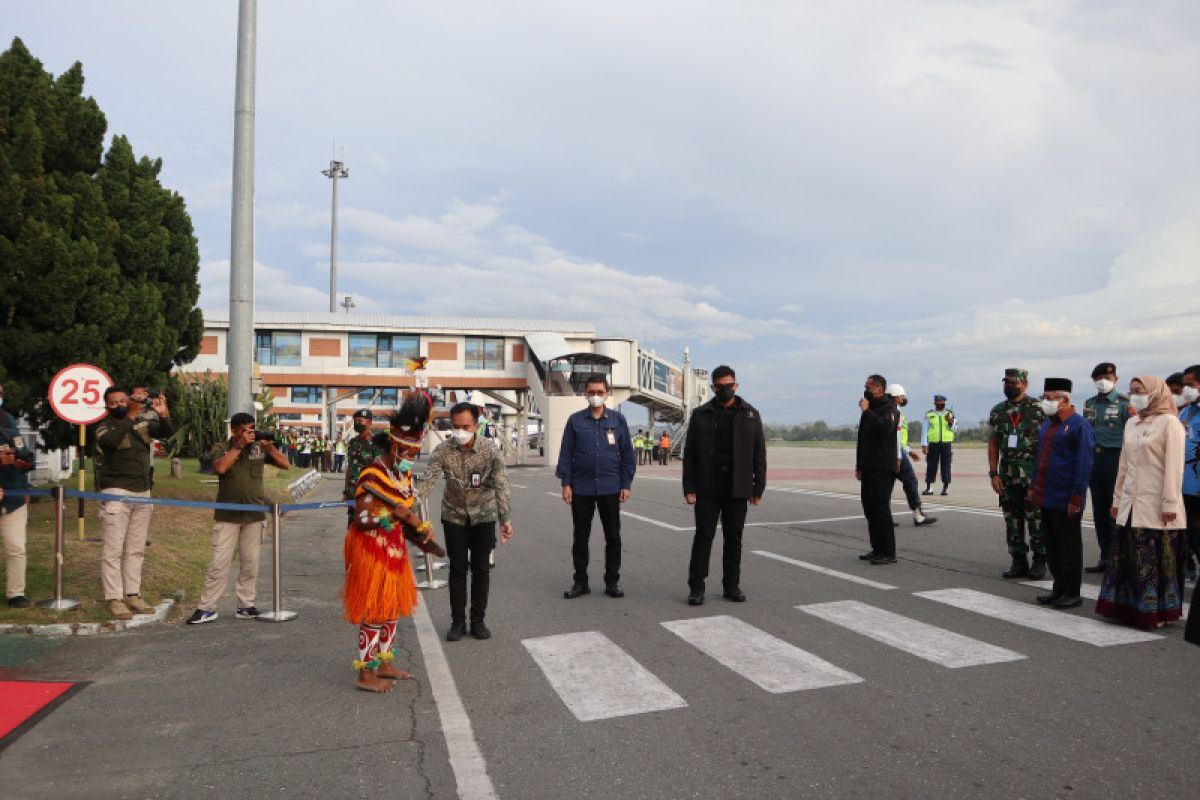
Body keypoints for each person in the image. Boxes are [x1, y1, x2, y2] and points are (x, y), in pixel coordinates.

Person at [343, 394, 442, 693]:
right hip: (370, 547)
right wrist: (387, 516)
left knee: (391, 606)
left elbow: (406, 511)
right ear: (395, 445)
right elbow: (360, 519)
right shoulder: (372, 473)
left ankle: (383, 663)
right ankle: (365, 673)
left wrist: (420, 530)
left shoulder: (403, 473)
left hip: (394, 545)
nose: (411, 458)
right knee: (374, 609)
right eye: (408, 452)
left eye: (415, 453)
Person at [1095, 375, 1187, 629]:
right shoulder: (1132, 423)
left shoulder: (1170, 423)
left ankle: (1156, 613)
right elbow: (1124, 465)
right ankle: (1127, 609)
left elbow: (1174, 467)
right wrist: (1117, 499)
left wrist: (1170, 503)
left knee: (1153, 561)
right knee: (1128, 559)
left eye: (1140, 391)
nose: (1135, 395)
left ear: (1156, 393)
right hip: (1130, 503)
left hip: (1156, 504)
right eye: (1132, 390)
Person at [416, 402, 514, 641]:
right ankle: (457, 622)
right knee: (458, 569)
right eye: (456, 426)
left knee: (481, 569)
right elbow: (427, 483)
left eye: (466, 426)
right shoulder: (442, 450)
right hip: (454, 516)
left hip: (483, 515)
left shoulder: (490, 450)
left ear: (476, 425)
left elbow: (501, 485)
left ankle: (478, 621)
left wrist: (505, 518)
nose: (460, 431)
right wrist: (406, 508)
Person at [187, 413, 289, 624]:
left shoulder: (259, 448)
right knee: (219, 563)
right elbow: (221, 467)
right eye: (245, 429)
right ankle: (206, 608)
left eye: (252, 428)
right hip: (227, 516)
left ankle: (246, 605)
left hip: (254, 516)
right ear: (234, 430)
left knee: (250, 564)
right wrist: (239, 446)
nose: (250, 432)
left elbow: (285, 465)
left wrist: (270, 448)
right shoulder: (221, 447)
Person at [683, 366, 767, 604]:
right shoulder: (700, 415)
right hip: (707, 487)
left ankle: (731, 586)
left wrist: (758, 487)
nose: (724, 390)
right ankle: (696, 587)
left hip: (737, 488)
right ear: (712, 388)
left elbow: (759, 454)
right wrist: (689, 487)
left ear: (736, 386)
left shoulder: (751, 414)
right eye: (719, 387)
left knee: (734, 539)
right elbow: (690, 455)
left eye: (728, 386)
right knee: (703, 537)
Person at [92, 386, 172, 620]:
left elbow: (166, 432)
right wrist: (129, 415)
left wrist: (163, 413)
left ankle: (133, 594)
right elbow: (110, 443)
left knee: (135, 548)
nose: (119, 404)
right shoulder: (104, 427)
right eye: (113, 402)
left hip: (142, 490)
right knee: (113, 549)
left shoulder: (140, 422)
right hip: (115, 492)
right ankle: (114, 598)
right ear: (107, 406)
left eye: (122, 400)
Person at [556, 375, 636, 600]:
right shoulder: (575, 421)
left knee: (613, 536)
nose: (595, 396)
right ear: (585, 394)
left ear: (607, 393)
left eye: (600, 392)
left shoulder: (618, 421)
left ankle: (612, 582)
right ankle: (580, 582)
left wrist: (626, 483)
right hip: (581, 487)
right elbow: (566, 453)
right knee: (580, 537)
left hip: (610, 486)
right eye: (591, 392)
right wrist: (566, 483)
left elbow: (628, 455)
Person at [1029, 378, 1095, 609]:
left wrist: (1076, 496)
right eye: (1044, 398)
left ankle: (1072, 591)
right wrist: (1033, 486)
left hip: (1066, 496)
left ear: (1065, 399)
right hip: (1045, 493)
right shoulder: (1048, 423)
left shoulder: (1079, 425)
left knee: (1068, 546)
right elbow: (1040, 458)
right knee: (1052, 545)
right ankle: (1058, 588)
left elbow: (1083, 463)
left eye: (1050, 398)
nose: (1046, 402)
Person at [987, 368, 1048, 579]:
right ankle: (1018, 561)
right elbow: (993, 444)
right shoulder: (998, 411)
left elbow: (1049, 443)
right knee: (1012, 520)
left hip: (1034, 475)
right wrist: (993, 473)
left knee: (1036, 519)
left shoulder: (1038, 409)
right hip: (1007, 475)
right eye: (1006, 382)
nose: (1009, 386)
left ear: (1025, 384)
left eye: (1014, 382)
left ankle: (1040, 561)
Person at [1083, 362, 1133, 574]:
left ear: (1116, 380)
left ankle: (1121, 558)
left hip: (1116, 459)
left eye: (1109, 378)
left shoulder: (1125, 403)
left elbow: (1132, 434)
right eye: (1100, 378)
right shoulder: (1089, 403)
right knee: (1100, 511)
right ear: (1094, 380)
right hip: (1095, 460)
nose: (1104, 381)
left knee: (1117, 510)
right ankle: (1106, 556)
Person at [856, 375, 902, 565]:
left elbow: (885, 429)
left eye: (869, 386)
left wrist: (867, 412)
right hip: (868, 467)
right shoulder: (870, 409)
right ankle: (877, 549)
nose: (866, 389)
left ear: (879, 389)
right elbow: (862, 440)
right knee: (869, 509)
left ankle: (888, 552)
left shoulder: (889, 409)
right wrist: (859, 465)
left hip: (883, 467)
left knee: (881, 509)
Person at [0, 383, 34, 608]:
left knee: (16, 547)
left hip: (13, 498)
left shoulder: (8, 421)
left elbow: (23, 452)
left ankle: (16, 593)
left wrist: (23, 462)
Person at [886, 385, 936, 527]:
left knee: (887, 486)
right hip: (895, 452)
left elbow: (899, 436)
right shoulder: (894, 412)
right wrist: (899, 456)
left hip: (894, 451)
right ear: (896, 397)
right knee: (910, 481)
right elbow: (895, 435)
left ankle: (884, 518)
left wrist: (908, 449)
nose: (904, 399)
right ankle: (918, 515)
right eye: (902, 396)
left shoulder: (894, 410)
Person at [1180, 364, 1200, 593]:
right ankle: (1188, 569)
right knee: (1188, 534)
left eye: (1190, 385)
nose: (1186, 389)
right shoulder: (1186, 411)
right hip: (1184, 484)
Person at [344, 409, 383, 521]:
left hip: (368, 491)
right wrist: (346, 491)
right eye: (355, 421)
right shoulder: (352, 442)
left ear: (369, 423)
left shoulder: (376, 443)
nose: (357, 423)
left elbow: (379, 469)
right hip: (352, 491)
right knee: (352, 524)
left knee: (367, 523)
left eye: (360, 421)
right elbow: (349, 468)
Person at [921, 394, 956, 496]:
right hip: (933, 444)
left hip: (946, 444)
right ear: (935, 403)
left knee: (946, 465)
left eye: (942, 403)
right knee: (931, 465)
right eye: (938, 403)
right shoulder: (929, 414)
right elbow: (924, 430)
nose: (940, 404)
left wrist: (950, 422)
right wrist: (924, 444)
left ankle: (945, 488)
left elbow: (955, 429)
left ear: (945, 403)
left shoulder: (950, 414)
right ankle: (929, 488)